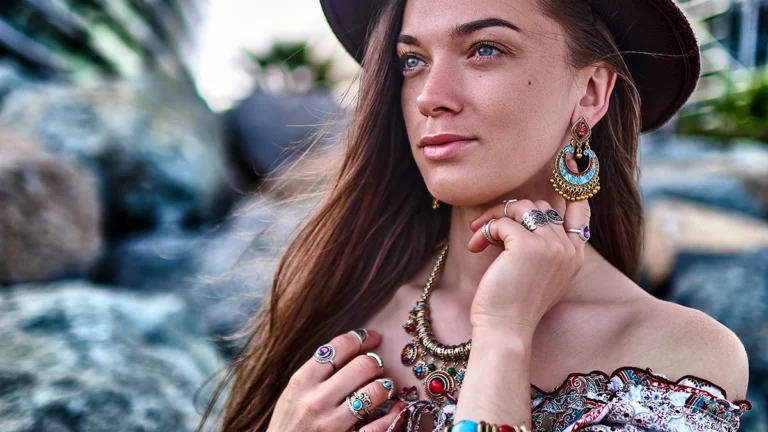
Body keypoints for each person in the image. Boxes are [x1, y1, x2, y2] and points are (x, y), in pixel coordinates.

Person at [201, 0, 754, 431]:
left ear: (588, 92)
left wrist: (505, 334)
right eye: (413, 61)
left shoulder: (681, 360)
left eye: (484, 49)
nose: (430, 97)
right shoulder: (341, 294)